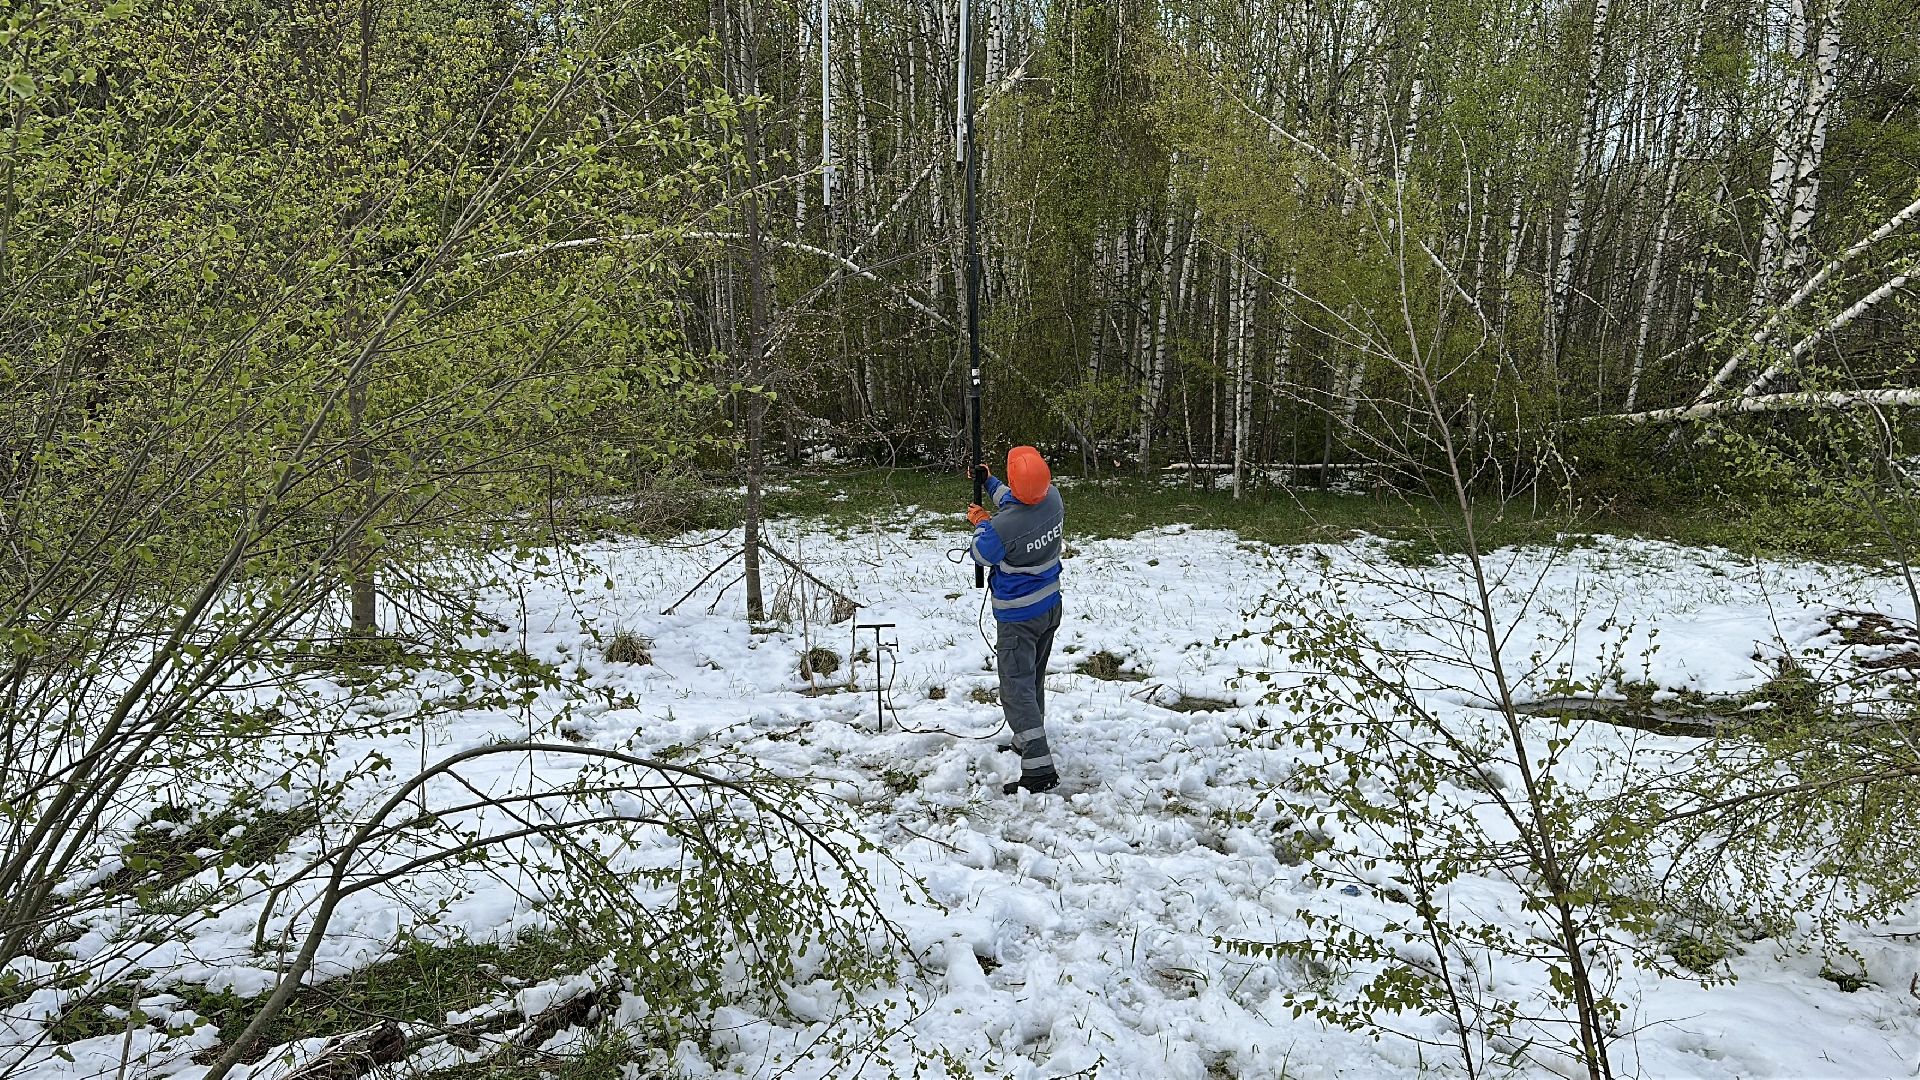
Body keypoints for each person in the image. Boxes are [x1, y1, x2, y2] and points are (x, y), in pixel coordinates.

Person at [966, 446, 1065, 795]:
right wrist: (989, 482)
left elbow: (981, 553)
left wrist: (981, 523)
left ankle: (1039, 769)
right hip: (1049, 607)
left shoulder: (1002, 528)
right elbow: (1018, 499)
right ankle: (1027, 738)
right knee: (1031, 677)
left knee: (1015, 687)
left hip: (1019, 617)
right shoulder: (1052, 499)